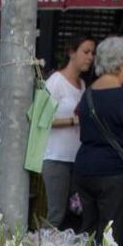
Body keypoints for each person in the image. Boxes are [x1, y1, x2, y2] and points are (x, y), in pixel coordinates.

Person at [73, 36, 123, 246]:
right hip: (113, 173)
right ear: (122, 64)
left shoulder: (88, 94)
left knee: (88, 231)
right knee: (111, 236)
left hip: (84, 169)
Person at [42, 34, 95, 229]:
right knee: (56, 214)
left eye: (93, 53)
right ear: (72, 52)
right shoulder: (56, 81)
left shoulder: (82, 85)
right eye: (86, 51)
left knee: (72, 215)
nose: (90, 57)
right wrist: (74, 120)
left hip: (77, 158)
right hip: (56, 157)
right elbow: (41, 118)